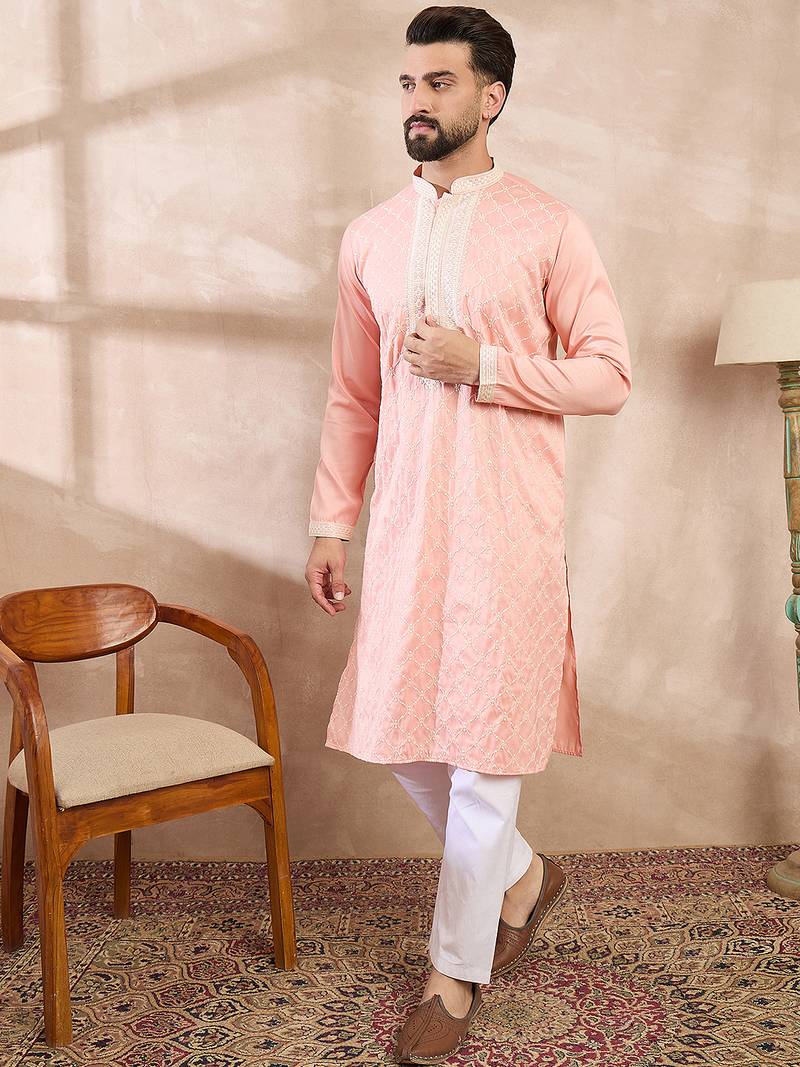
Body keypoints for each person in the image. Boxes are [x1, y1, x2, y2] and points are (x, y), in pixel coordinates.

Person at [304, 5, 632, 1062]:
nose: (417, 100)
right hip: (406, 521)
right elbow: (352, 395)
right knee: (402, 733)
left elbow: (608, 375)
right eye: (408, 82)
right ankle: (524, 875)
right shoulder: (370, 236)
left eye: (439, 82)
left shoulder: (547, 226)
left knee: (486, 749)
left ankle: (453, 972)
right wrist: (332, 521)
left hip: (508, 525)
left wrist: (483, 365)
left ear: (491, 97)